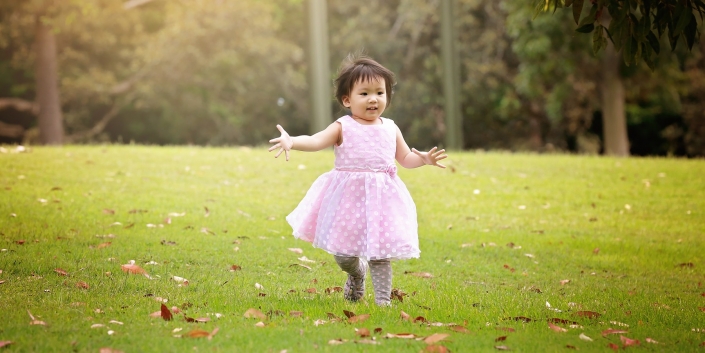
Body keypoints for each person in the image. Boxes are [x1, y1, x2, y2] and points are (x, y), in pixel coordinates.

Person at [269, 55, 447, 306]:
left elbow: (405, 158)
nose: (373, 99)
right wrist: (292, 141)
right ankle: (356, 273)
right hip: (348, 200)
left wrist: (424, 159)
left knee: (380, 254)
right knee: (343, 255)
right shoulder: (343, 126)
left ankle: (383, 302)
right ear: (347, 99)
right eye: (364, 93)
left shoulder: (391, 128)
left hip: (382, 200)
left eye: (379, 92)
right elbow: (317, 140)